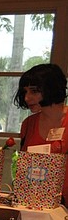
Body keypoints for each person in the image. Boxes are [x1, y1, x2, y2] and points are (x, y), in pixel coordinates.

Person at [14, 63, 68, 202]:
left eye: (34, 91)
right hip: (35, 204)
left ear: (52, 89)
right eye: (25, 92)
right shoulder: (28, 124)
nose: (27, 98)